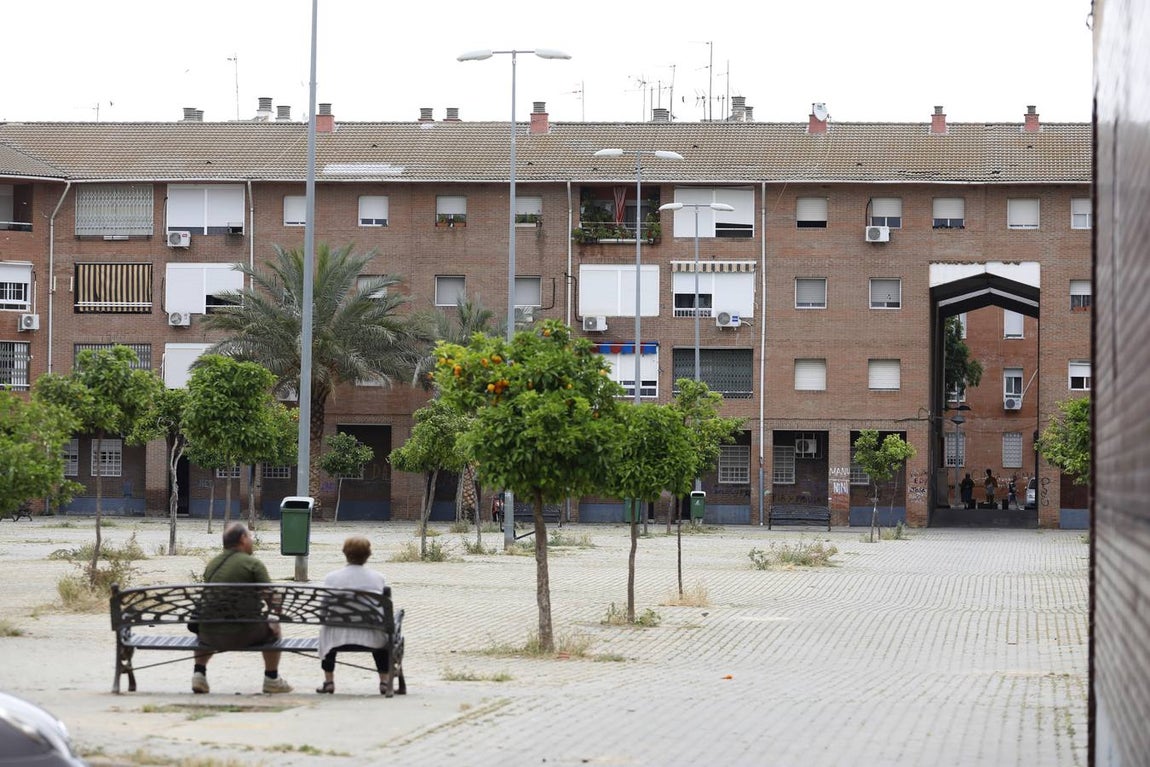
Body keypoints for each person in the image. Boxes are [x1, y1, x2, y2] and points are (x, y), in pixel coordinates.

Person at [191, 522, 292, 694]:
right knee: (274, 625)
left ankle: (199, 674)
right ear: (243, 539)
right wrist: (277, 606)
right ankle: (271, 678)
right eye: (250, 537)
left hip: (209, 635)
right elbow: (274, 604)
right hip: (245, 634)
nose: (252, 540)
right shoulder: (253, 564)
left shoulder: (213, 564)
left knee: (209, 621)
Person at [315, 536, 392, 695]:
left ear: (345, 553)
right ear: (368, 555)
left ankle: (329, 681)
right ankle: (384, 681)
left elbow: (323, 610)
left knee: (326, 628)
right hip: (371, 636)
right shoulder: (378, 578)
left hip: (336, 638)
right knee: (383, 632)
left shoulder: (331, 578)